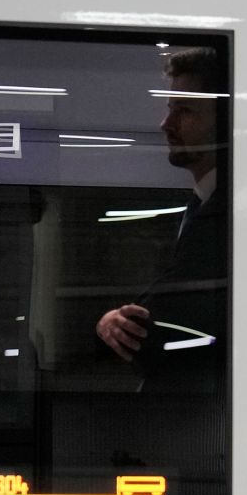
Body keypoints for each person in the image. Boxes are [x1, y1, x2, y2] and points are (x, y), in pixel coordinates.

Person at [95, 47, 228, 393]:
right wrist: (114, 321)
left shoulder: (229, 212)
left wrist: (124, 326)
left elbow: (164, 330)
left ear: (227, 121)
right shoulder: (199, 204)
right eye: (170, 110)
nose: (165, 125)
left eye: (184, 111)